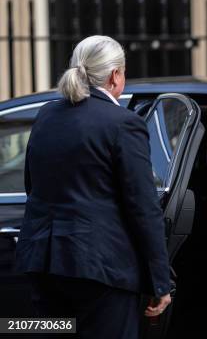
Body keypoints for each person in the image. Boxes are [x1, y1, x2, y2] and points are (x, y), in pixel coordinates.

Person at [15, 35, 172, 339]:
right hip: (99, 270)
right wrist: (160, 283)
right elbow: (142, 207)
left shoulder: (47, 114)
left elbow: (32, 185)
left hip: (44, 264)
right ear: (116, 75)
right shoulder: (123, 123)